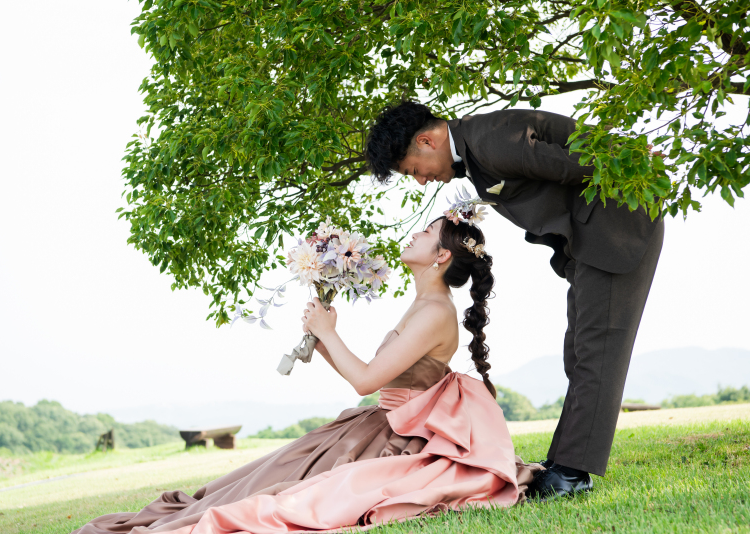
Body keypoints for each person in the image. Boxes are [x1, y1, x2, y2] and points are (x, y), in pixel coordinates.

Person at [72, 216, 540, 534]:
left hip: (394, 436)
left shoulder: (436, 311)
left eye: (427, 232)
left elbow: (366, 382)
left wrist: (328, 333)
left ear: (441, 256)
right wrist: (324, 339)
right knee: (268, 473)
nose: (415, 234)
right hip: (373, 421)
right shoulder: (422, 304)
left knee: (288, 492)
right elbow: (375, 376)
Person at [365, 101, 665, 500]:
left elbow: (579, 163)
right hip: (588, 244)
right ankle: (564, 462)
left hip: (616, 234)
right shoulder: (477, 145)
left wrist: (632, 157)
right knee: (580, 351)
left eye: (413, 170)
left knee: (598, 350)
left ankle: (573, 473)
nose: (421, 181)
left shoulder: (490, 141)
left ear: (426, 141)